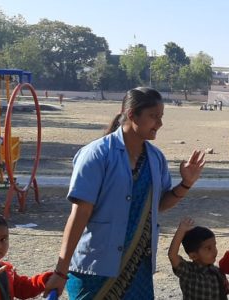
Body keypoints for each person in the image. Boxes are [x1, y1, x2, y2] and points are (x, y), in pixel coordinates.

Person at [42, 87, 206, 298]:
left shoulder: (155, 159)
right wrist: (60, 271)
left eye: (161, 117)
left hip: (138, 268)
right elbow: (79, 214)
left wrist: (186, 183)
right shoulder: (97, 154)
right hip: (95, 269)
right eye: (153, 116)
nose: (160, 123)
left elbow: (158, 205)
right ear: (131, 115)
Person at [168, 218, 229, 300]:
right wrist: (181, 231)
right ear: (193, 256)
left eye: (214, 245)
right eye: (208, 248)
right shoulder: (189, 273)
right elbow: (172, 255)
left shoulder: (217, 272)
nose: (214, 251)